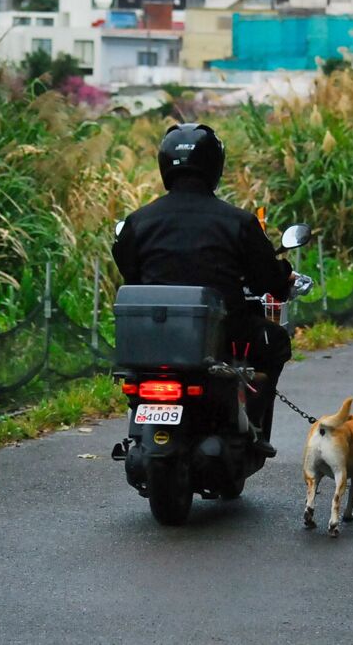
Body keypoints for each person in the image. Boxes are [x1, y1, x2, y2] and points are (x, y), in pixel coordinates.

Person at [111, 123, 295, 457]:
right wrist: (284, 280)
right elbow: (267, 278)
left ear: (165, 166)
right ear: (214, 166)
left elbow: (129, 272)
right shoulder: (238, 222)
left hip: (155, 337)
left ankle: (139, 426)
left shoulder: (138, 221)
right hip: (225, 335)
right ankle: (254, 427)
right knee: (276, 343)